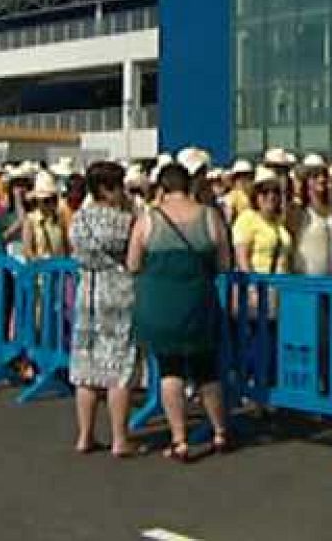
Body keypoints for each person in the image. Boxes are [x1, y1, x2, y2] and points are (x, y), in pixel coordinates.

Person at [127, 162, 232, 462]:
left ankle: (179, 439)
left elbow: (133, 263)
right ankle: (220, 431)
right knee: (206, 368)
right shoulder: (209, 217)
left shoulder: (148, 219)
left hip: (159, 305)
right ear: (189, 185)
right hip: (198, 301)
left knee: (170, 369)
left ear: (161, 188)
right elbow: (224, 263)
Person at [67, 161, 142, 458]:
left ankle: (85, 435)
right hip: (119, 294)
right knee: (119, 368)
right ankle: (120, 438)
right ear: (106, 188)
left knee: (86, 369)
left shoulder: (79, 219)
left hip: (88, 294)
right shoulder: (125, 221)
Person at [232, 167, 292, 275]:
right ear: (255, 195)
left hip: (280, 286)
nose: (271, 196)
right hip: (259, 286)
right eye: (265, 192)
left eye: (275, 191)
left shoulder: (278, 222)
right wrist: (253, 288)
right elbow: (242, 259)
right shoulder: (246, 219)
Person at [292, 163, 332, 277]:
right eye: (316, 176)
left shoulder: (331, 211)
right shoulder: (299, 211)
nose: (321, 179)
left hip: (329, 276)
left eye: (324, 176)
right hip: (306, 278)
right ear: (306, 181)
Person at [23, 171, 69, 260]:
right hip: (40, 269)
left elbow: (66, 246)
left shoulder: (59, 218)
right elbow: (27, 251)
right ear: (37, 201)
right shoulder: (30, 220)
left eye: (54, 199)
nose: (51, 204)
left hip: (60, 269)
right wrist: (39, 261)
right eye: (46, 200)